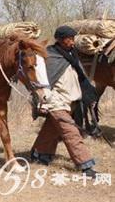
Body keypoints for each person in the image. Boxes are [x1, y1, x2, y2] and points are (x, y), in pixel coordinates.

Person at [30, 25, 99, 177]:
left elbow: (81, 78)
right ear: (60, 40)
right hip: (55, 102)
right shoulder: (49, 56)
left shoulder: (71, 54)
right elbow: (40, 81)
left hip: (71, 101)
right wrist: (42, 102)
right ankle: (86, 165)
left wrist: (89, 96)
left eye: (73, 38)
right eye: (70, 39)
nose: (73, 42)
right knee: (71, 132)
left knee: (51, 129)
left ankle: (39, 154)